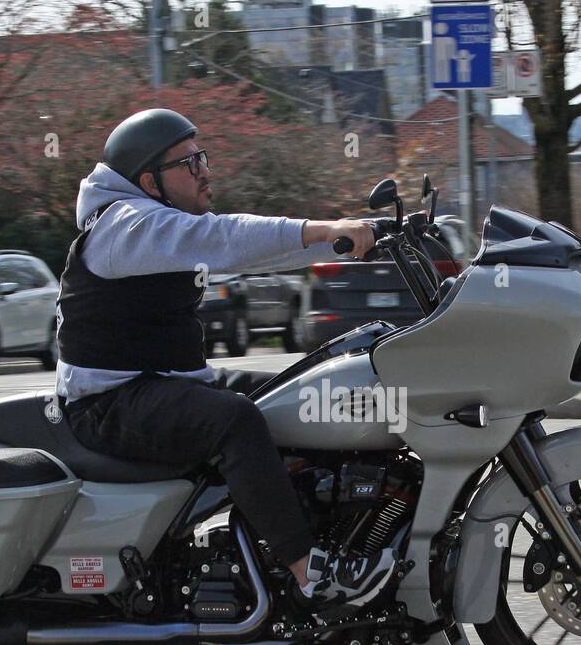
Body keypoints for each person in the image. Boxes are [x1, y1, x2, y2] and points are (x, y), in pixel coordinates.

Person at [56, 108, 394, 609]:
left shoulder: (157, 222)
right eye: (190, 163)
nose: (205, 171)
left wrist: (351, 238)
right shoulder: (125, 227)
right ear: (149, 181)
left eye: (202, 158)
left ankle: (346, 526)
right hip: (111, 399)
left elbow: (255, 253)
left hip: (170, 382)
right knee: (234, 420)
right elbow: (226, 239)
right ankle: (308, 570)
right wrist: (322, 228)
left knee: (316, 391)